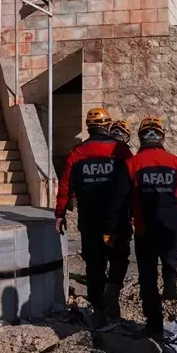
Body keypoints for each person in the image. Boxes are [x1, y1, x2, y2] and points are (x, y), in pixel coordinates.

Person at [107, 116, 177, 338]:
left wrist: (111, 231)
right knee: (170, 254)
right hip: (173, 225)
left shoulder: (131, 164)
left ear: (141, 138)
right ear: (162, 137)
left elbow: (117, 202)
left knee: (147, 278)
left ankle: (154, 326)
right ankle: (171, 278)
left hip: (146, 229)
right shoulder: (176, 162)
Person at [55, 107, 132, 314]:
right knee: (119, 256)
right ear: (107, 126)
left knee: (94, 263)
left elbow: (65, 187)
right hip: (117, 220)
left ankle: (98, 306)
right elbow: (133, 184)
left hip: (90, 221)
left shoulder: (77, 153)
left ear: (89, 128)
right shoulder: (122, 152)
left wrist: (60, 214)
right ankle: (113, 288)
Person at [103, 119, 135, 316]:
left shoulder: (99, 153)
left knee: (104, 249)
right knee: (120, 254)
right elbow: (132, 188)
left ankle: (103, 287)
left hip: (100, 214)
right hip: (120, 215)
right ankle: (113, 287)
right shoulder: (126, 155)